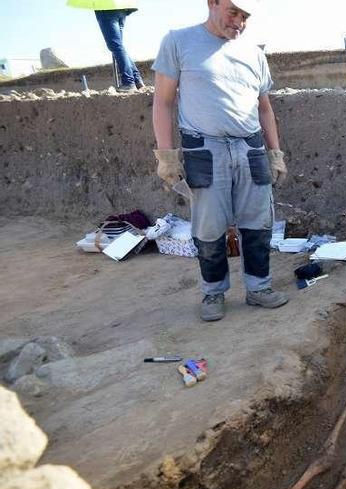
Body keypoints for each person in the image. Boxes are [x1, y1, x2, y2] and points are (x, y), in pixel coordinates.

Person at [151, 0, 289, 322]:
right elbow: (162, 102)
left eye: (245, 16)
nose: (239, 22)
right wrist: (167, 156)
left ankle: (259, 288)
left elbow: (264, 108)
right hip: (205, 148)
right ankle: (213, 291)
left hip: (250, 147)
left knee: (258, 223)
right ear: (212, 3)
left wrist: (275, 152)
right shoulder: (179, 42)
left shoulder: (254, 53)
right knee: (209, 227)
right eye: (233, 12)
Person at [67, 0, 143, 91]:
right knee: (119, 46)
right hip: (121, 6)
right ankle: (137, 81)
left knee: (115, 46)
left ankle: (129, 82)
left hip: (106, 7)